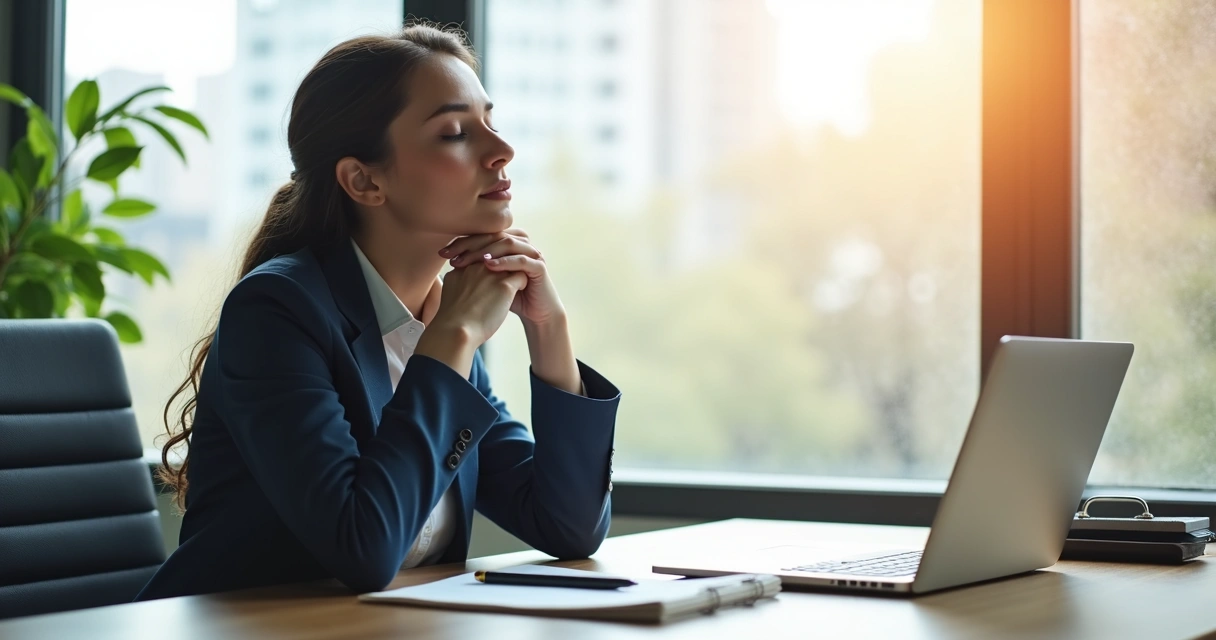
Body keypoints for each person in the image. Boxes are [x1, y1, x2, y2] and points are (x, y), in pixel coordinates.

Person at [135, 23, 620, 600]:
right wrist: (454, 335)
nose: (502, 150)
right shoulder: (277, 311)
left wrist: (548, 329)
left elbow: (568, 527)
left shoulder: (434, 320)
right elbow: (362, 547)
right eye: (455, 133)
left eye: (491, 122)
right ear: (364, 180)